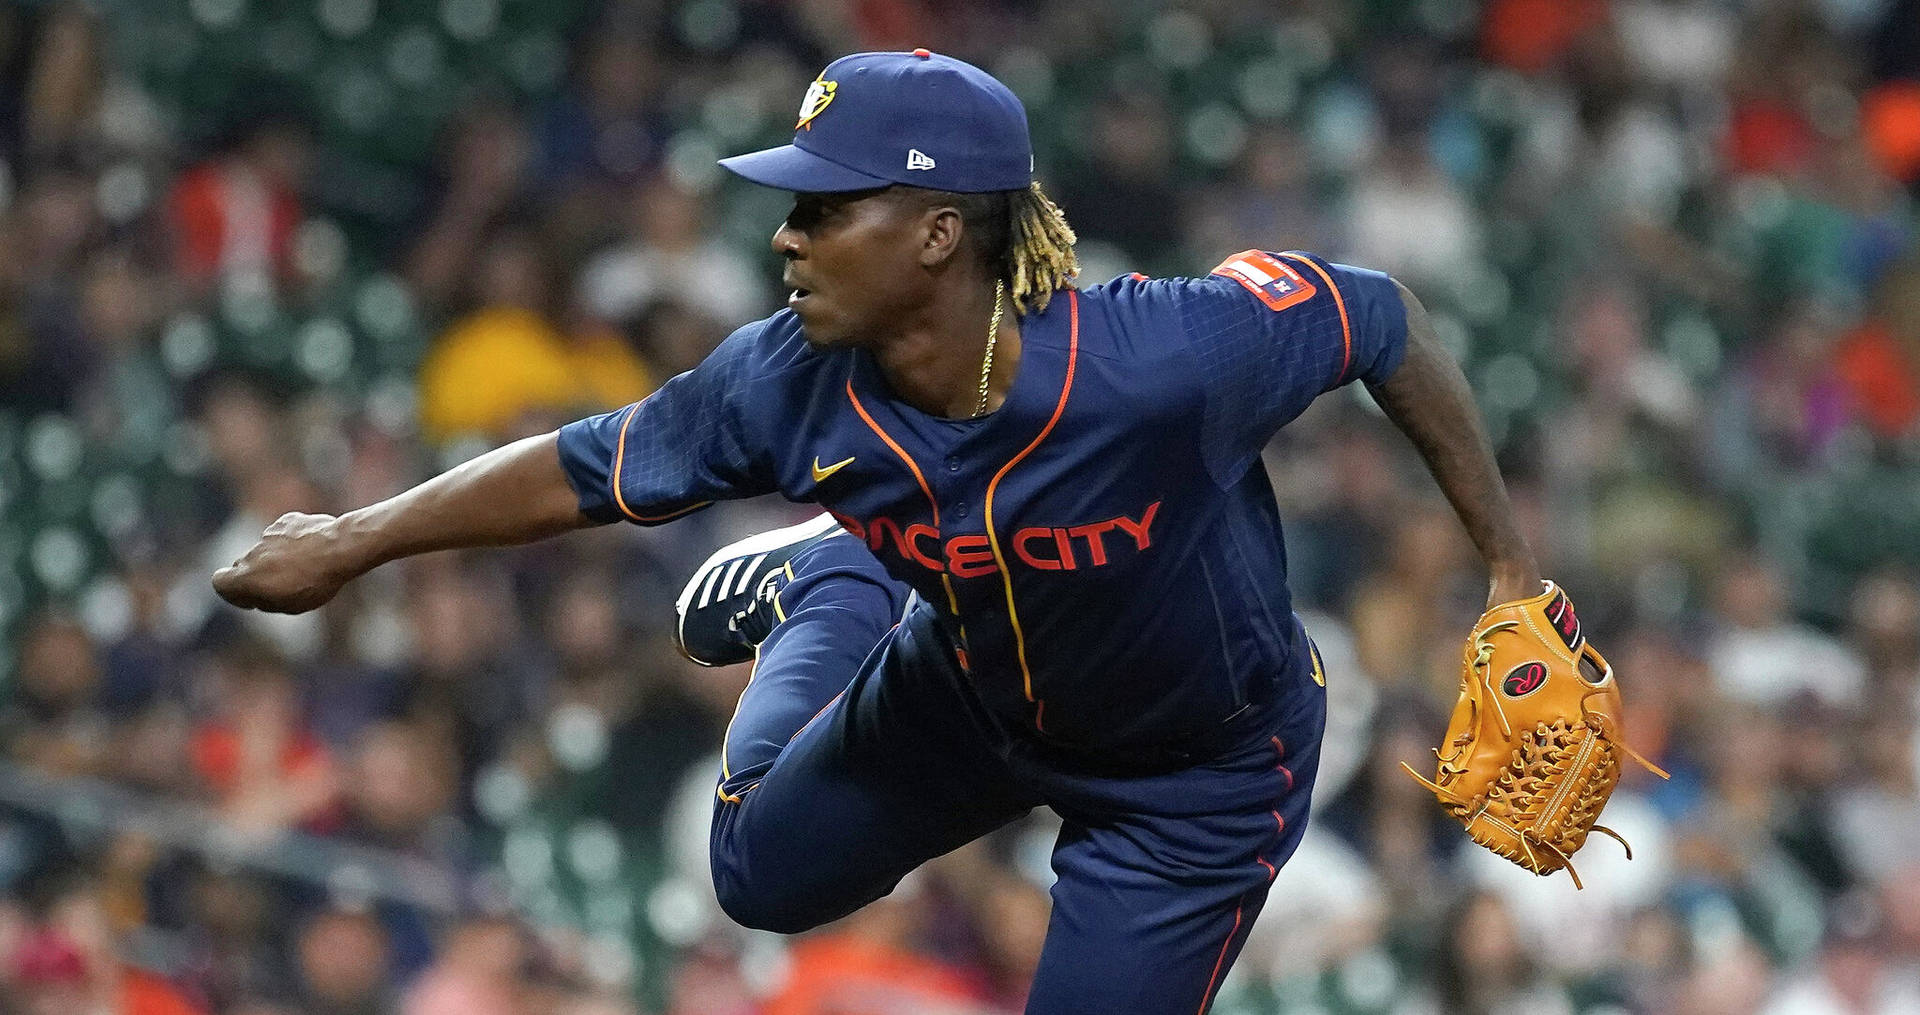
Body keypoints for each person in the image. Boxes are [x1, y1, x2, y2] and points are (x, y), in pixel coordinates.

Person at [213, 50, 1542, 1014]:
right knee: (755, 874)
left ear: (940, 233)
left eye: (826, 208)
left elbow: (1377, 319)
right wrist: (355, 536)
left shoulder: (1160, 357)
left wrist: (1507, 563)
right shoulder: (786, 373)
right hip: (969, 687)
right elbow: (584, 468)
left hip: (1189, 779)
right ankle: (834, 581)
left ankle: (844, 563)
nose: (789, 236)